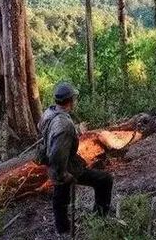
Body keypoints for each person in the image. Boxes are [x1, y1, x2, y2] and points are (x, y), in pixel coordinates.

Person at [38, 82, 113, 236]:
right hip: (63, 167)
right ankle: (99, 218)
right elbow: (59, 153)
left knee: (60, 196)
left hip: (53, 163)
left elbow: (46, 131)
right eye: (74, 98)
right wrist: (64, 174)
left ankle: (63, 229)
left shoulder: (49, 112)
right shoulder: (64, 125)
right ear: (71, 100)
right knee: (105, 180)